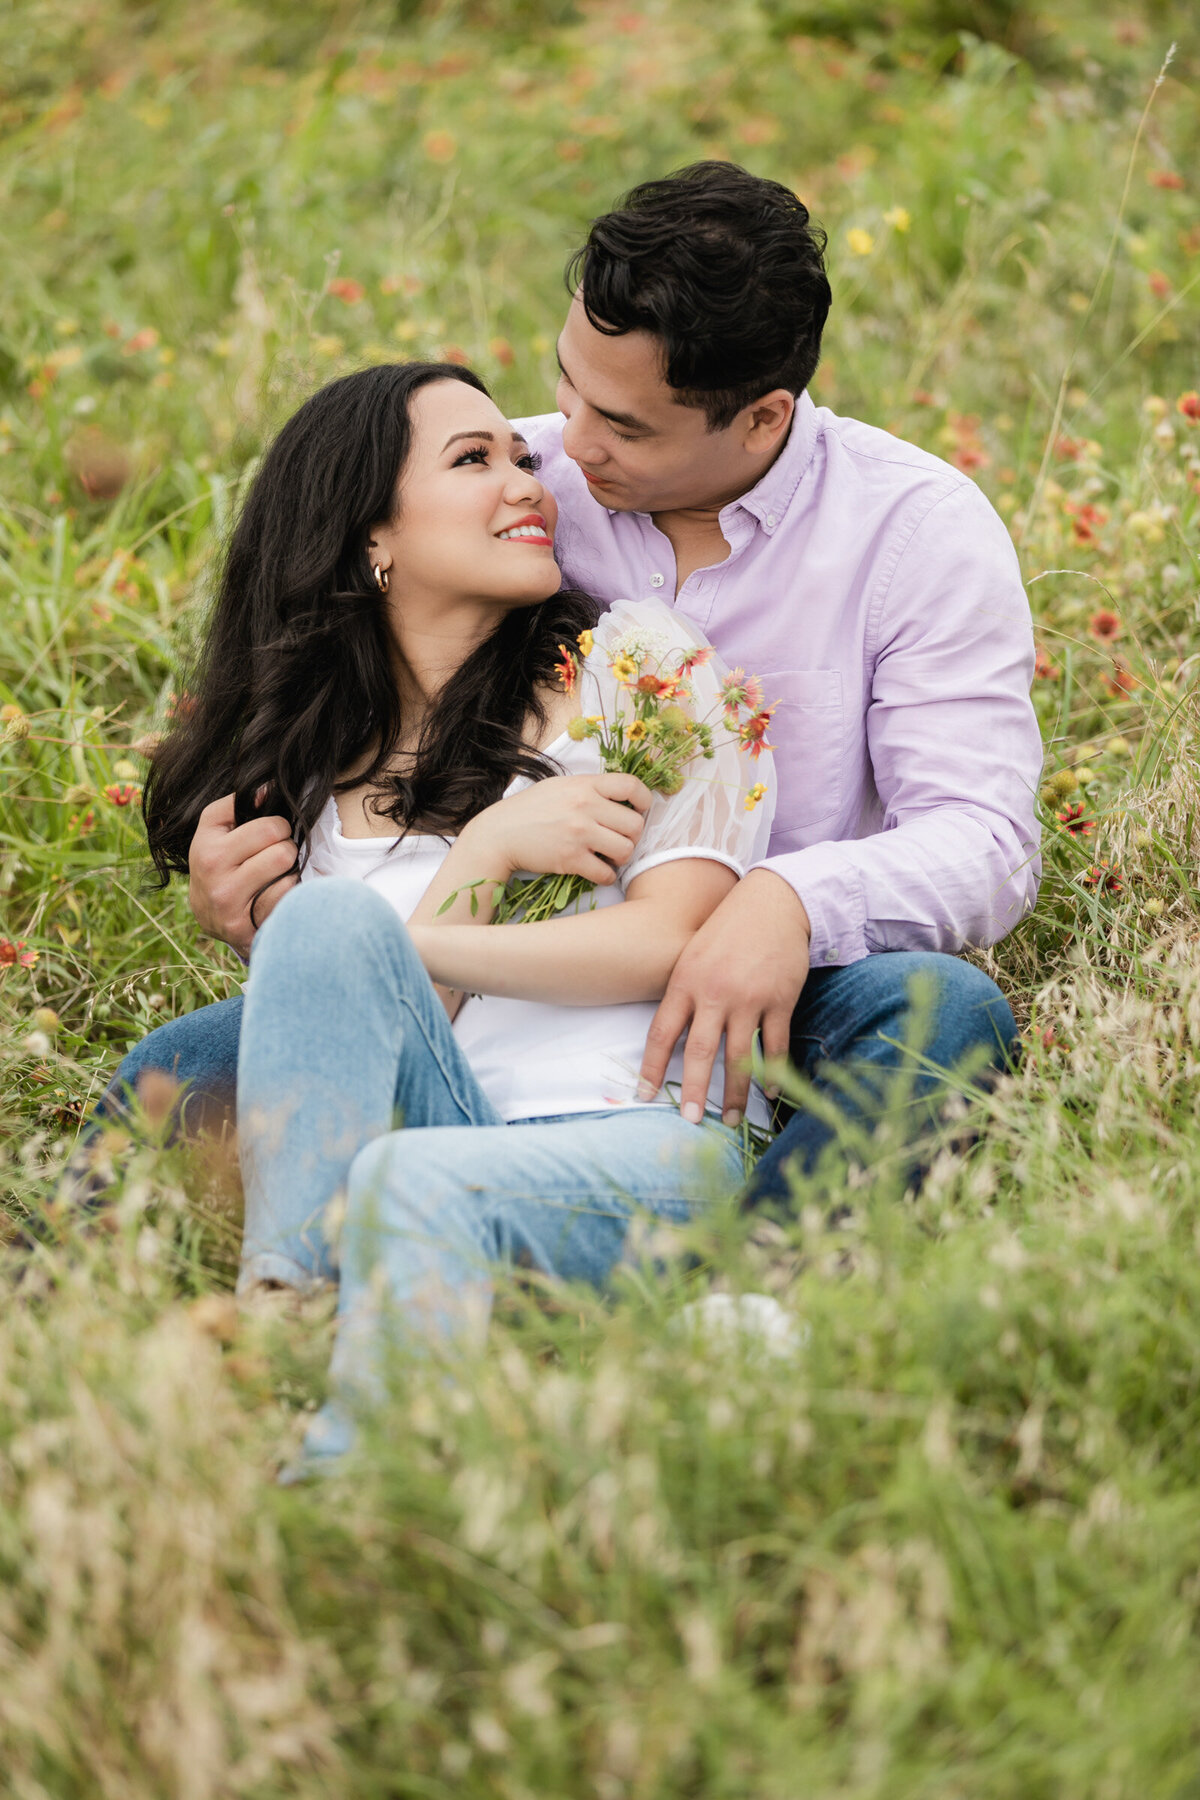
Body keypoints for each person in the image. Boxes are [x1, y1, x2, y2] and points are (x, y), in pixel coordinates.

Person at [108, 160, 1043, 1203]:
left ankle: (766, 1278)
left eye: (628, 427)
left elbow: (986, 841)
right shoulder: (531, 484)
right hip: (529, 962)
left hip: (788, 974)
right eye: (567, 385)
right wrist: (243, 887)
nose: (568, 445)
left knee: (936, 1012)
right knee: (185, 1063)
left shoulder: (915, 532)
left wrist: (786, 898)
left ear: (764, 419)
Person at [138, 361, 778, 1462]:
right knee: (377, 1096)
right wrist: (482, 856)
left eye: (521, 457)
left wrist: (384, 940)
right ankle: (288, 1319)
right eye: (473, 460)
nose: (528, 482)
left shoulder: (639, 664)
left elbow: (674, 938)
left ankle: (338, 1477)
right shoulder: (294, 793)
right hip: (431, 1133)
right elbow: (374, 1039)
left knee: (401, 1159)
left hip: (643, 1144)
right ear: (370, 535)